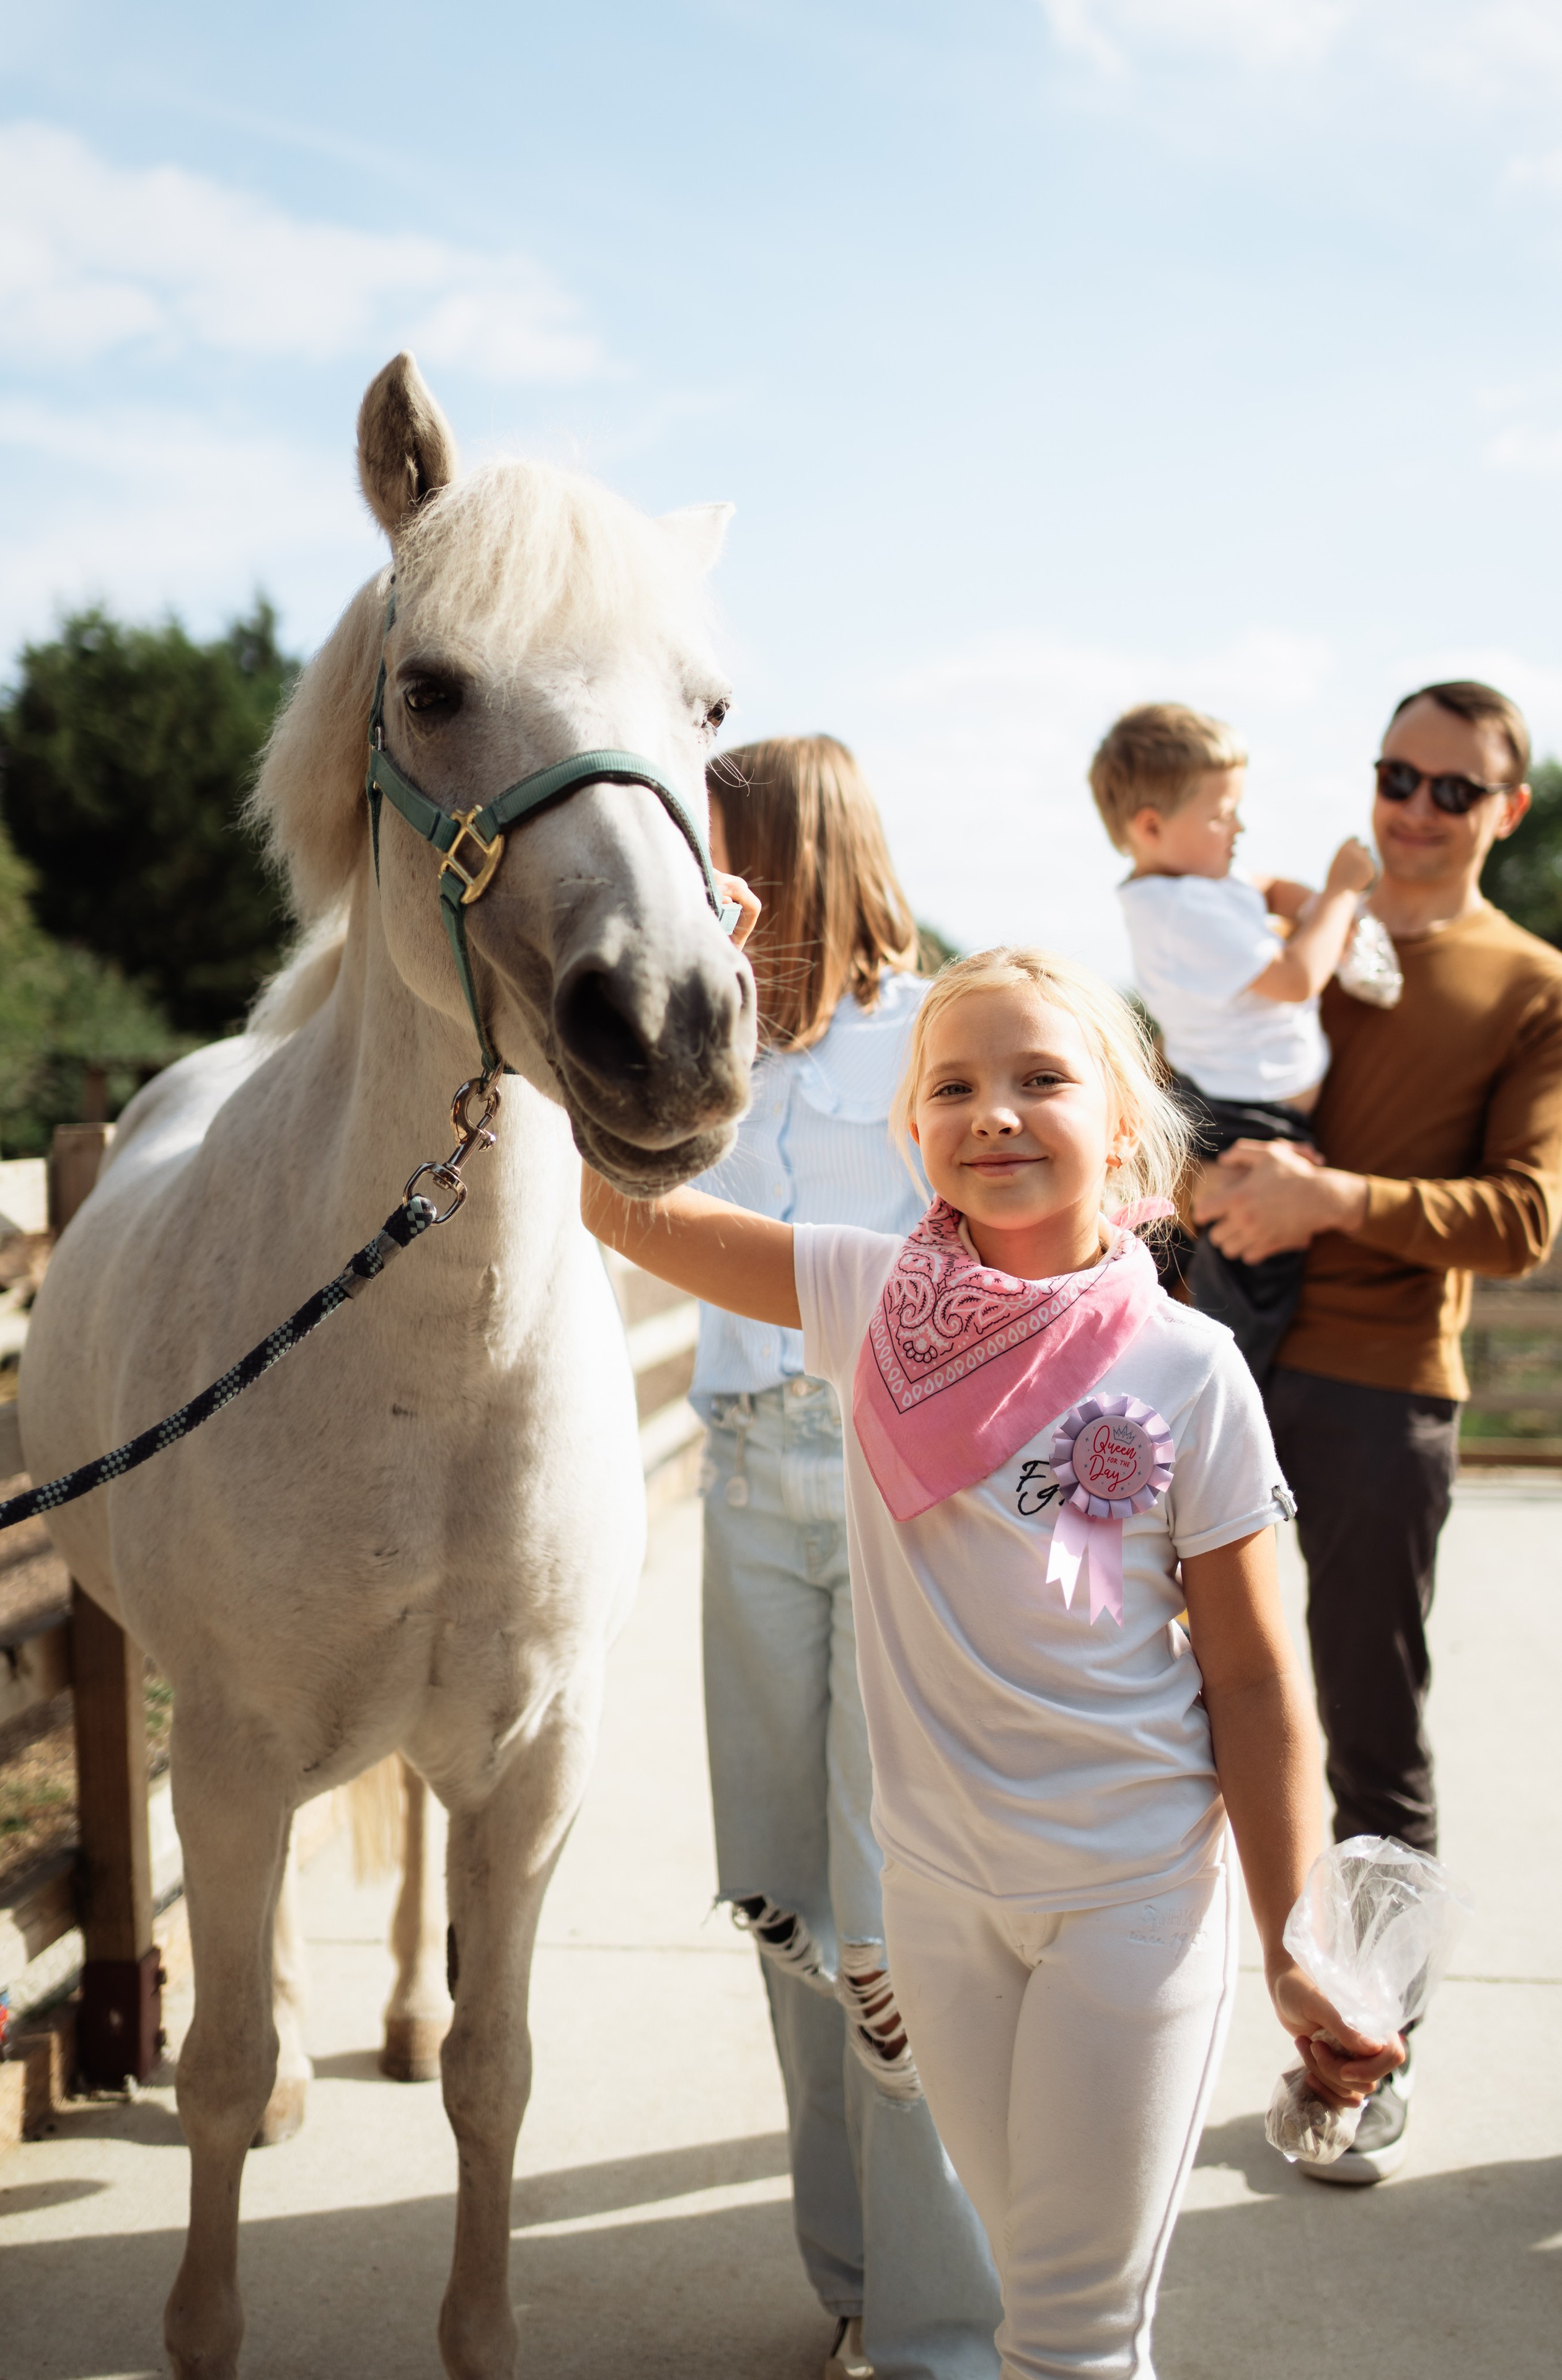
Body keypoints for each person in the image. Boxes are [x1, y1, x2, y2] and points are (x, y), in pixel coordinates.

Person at [588, 944, 1401, 2379]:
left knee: (1072, 2335)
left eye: (1041, 1078)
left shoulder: (1184, 1366)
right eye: (951, 1085)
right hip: (935, 1897)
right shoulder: (855, 1296)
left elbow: (1261, 1681)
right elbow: (621, 1204)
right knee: (1026, 2289)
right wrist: (623, 989)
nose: (994, 1112)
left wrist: (1293, 1939)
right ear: (908, 1131)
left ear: (1124, 1123)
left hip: (1127, 1898)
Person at [1196, 677, 1562, 2183]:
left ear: (1503, 811)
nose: (1412, 809)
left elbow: (1522, 1214)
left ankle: (1355, 2060)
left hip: (1374, 1391)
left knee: (1368, 1735)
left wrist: (1328, 1198)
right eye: (1392, 775)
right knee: (1159, 1719)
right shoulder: (1298, 939)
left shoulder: (1530, 981)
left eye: (1449, 789)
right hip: (1215, 1372)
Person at [691, 736, 1002, 2380]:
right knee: (787, 1899)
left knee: (897, 1924)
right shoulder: (704, 1031)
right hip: (746, 1482)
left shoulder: (937, 1038)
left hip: (895, 1488)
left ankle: (947, 2334)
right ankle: (857, 2283)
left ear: (793, 847)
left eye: (720, 844)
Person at [1089, 702, 1376, 1382]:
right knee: (1249, 1290)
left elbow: (1269, 886)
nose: (1238, 828)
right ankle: (1209, 1404)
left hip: (1222, 1098)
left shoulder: (1196, 886)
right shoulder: (1183, 909)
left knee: (1191, 1265)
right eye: (1220, 815)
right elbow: (1297, 976)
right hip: (1243, 1114)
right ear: (1151, 827)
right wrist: (1340, 894)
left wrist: (1305, 905)